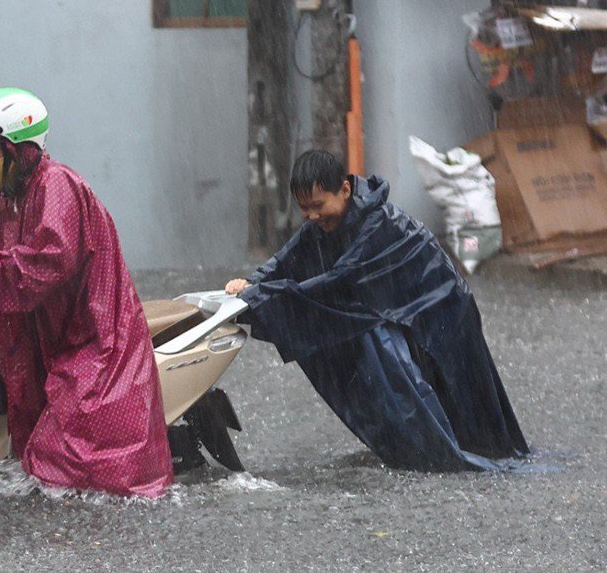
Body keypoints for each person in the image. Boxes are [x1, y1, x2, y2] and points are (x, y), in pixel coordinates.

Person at [224, 150, 531, 472]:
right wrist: (252, 284)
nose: (312, 216)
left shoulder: (378, 224)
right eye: (304, 208)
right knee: (411, 384)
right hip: (400, 311)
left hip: (445, 309)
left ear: (344, 190)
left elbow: (340, 280)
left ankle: (460, 452)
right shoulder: (324, 225)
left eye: (318, 205)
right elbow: (286, 260)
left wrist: (263, 295)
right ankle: (428, 449)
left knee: (461, 395)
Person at [0, 88, 174, 498]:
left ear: (20, 150)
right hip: (61, 344)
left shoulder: (57, 186)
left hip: (97, 345)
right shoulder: (12, 195)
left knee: (65, 464)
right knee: (35, 460)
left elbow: (48, 258)